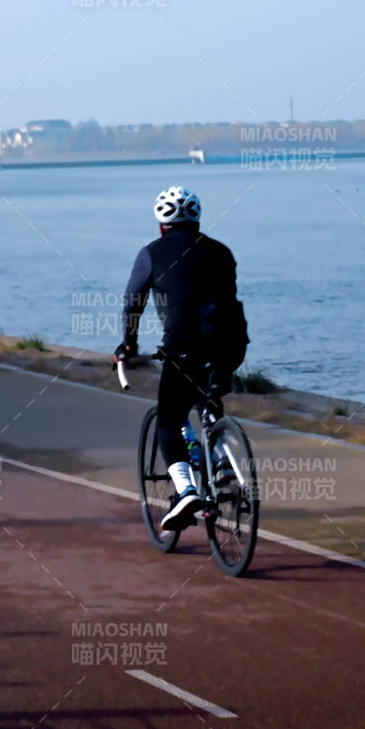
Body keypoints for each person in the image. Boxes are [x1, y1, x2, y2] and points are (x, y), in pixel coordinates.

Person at [115, 185, 248, 532]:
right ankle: (221, 462)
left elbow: (134, 303)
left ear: (161, 225)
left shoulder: (151, 253)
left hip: (184, 349)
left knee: (168, 423)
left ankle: (187, 491)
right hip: (230, 346)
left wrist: (128, 345)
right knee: (207, 400)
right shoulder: (222, 252)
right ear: (198, 220)